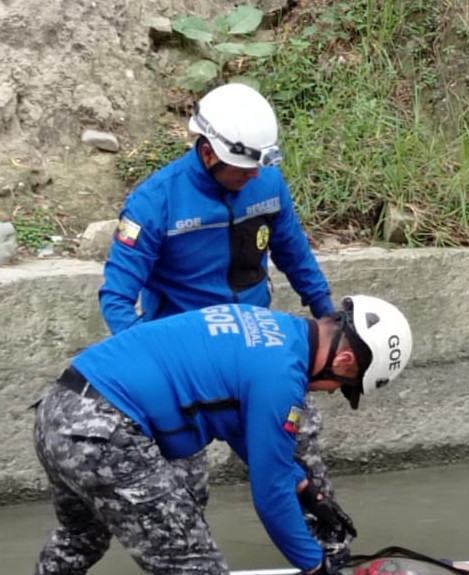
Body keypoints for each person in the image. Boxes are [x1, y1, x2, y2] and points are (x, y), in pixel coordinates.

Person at [97, 81, 343, 553]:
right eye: (242, 168)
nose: (252, 178)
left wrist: (328, 317)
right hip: (188, 375)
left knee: (303, 472)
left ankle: (331, 557)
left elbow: (296, 256)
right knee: (182, 495)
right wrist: (149, 368)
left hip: (261, 358)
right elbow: (117, 295)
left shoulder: (267, 184)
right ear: (208, 152)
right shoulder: (155, 203)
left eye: (257, 168)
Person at [33, 295, 413, 575]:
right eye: (343, 387)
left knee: (82, 538)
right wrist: (316, 567)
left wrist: (307, 490)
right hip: (105, 433)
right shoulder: (282, 377)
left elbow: (245, 433)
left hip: (59, 410)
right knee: (196, 566)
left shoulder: (269, 327)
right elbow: (270, 492)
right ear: (345, 362)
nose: (330, 392)